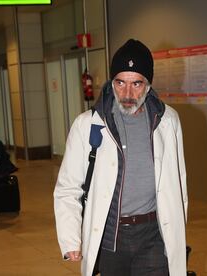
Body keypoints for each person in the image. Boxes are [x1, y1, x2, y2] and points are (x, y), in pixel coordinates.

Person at [54, 39, 188, 276]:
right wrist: (70, 238)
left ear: (148, 84)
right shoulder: (88, 124)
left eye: (136, 83)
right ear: (111, 82)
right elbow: (67, 187)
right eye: (120, 82)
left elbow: (179, 183)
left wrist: (177, 231)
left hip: (154, 234)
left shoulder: (168, 121)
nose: (127, 93)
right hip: (109, 235)